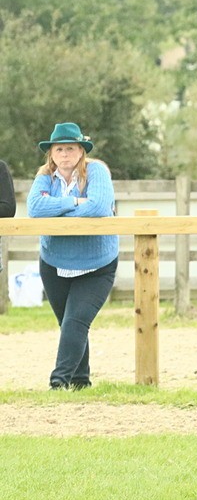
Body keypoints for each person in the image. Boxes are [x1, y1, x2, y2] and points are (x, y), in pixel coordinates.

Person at [27, 123, 117, 390]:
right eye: (59, 149)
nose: (64, 154)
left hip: (96, 263)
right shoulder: (44, 176)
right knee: (68, 323)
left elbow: (99, 206)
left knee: (75, 321)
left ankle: (59, 380)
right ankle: (81, 381)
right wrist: (75, 202)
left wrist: (57, 211)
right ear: (51, 154)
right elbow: (34, 207)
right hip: (54, 262)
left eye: (70, 148)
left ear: (81, 152)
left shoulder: (97, 171)